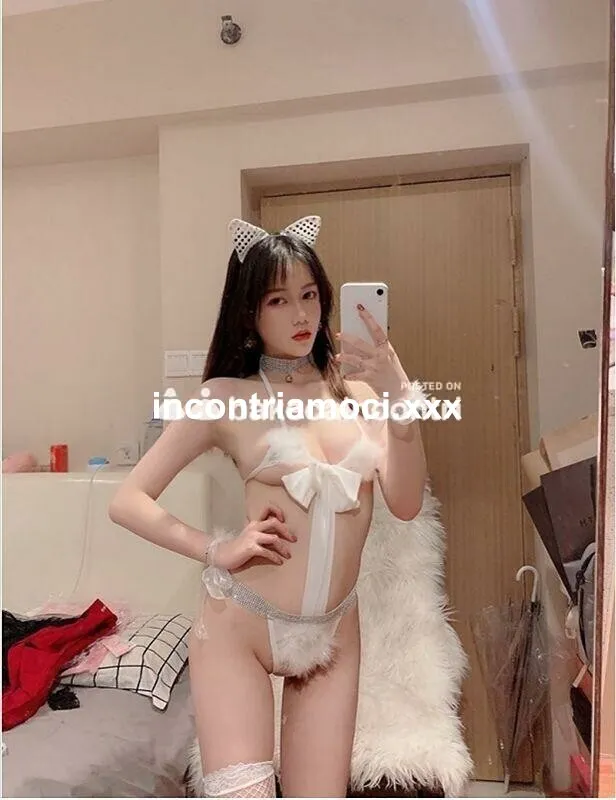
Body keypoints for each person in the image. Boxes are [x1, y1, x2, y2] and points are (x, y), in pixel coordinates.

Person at [108, 215, 428, 798]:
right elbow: (128, 500)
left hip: (334, 632)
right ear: (250, 312)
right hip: (242, 626)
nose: (301, 315)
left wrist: (400, 399)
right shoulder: (226, 398)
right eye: (278, 300)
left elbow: (405, 504)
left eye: (309, 295)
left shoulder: (360, 394)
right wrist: (215, 548)